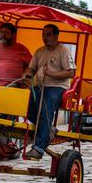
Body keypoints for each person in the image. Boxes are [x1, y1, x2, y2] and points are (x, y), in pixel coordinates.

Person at [22, 24, 76, 160]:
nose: (45, 38)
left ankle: (38, 148)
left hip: (57, 87)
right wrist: (28, 74)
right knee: (26, 108)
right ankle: (50, 129)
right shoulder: (39, 51)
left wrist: (51, 73)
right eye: (43, 34)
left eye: (48, 35)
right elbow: (31, 68)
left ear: (56, 36)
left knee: (44, 108)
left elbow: (71, 73)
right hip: (40, 86)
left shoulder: (63, 50)